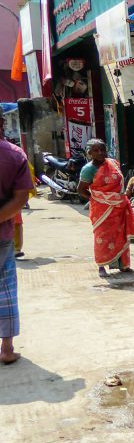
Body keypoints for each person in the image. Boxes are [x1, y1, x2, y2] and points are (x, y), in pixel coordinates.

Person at [77, 139, 134, 278]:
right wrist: (98, 198)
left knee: (120, 234)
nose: (101, 153)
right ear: (89, 153)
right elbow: (81, 190)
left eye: (103, 150)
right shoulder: (89, 169)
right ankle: (101, 265)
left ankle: (123, 265)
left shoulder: (113, 163)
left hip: (119, 206)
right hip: (101, 209)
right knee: (102, 236)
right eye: (96, 150)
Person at [0, 133, 35, 364]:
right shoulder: (13, 154)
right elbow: (22, 197)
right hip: (2, 235)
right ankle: (7, 349)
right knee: (5, 290)